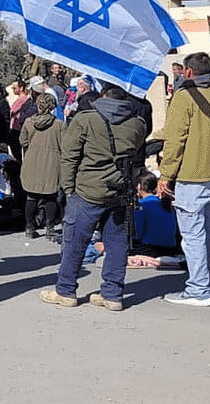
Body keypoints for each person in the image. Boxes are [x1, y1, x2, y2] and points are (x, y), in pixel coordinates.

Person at [40, 85, 147, 313]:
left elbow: (69, 158)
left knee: (74, 243)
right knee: (117, 245)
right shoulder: (138, 123)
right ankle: (113, 294)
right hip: (119, 190)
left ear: (103, 96)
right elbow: (136, 155)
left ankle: (66, 291)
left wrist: (68, 189)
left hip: (87, 189)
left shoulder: (85, 119)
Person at [158, 52, 210, 307]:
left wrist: (165, 174)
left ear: (188, 72)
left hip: (190, 176)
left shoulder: (183, 98)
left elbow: (175, 140)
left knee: (193, 236)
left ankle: (198, 290)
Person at [19, 91, 63, 239]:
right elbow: (65, 145)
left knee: (31, 197)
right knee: (51, 197)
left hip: (32, 161)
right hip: (53, 163)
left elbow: (22, 141)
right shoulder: (59, 125)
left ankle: (29, 227)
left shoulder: (28, 122)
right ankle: (50, 228)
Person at [135, 172, 179, 253]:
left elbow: (138, 232)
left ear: (139, 187)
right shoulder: (166, 203)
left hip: (150, 248)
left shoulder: (142, 205)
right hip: (171, 248)